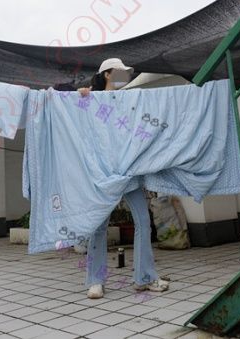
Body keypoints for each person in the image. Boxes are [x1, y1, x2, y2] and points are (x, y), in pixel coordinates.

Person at [77, 58, 169, 299]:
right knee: (99, 226)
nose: (125, 76)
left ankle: (144, 278)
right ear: (107, 74)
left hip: (129, 169)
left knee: (143, 221)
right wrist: (81, 96)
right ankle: (95, 281)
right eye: (120, 72)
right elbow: (73, 116)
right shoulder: (91, 99)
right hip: (104, 172)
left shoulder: (130, 99)